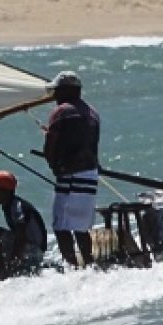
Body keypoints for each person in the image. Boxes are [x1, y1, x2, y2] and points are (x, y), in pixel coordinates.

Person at [43, 70, 101, 267]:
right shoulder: (93, 113)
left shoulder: (61, 112)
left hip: (70, 176)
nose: (55, 96)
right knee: (81, 228)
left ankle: (72, 266)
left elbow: (51, 144)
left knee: (61, 226)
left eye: (57, 91)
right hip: (91, 175)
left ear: (67, 91)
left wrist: (53, 165)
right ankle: (89, 264)